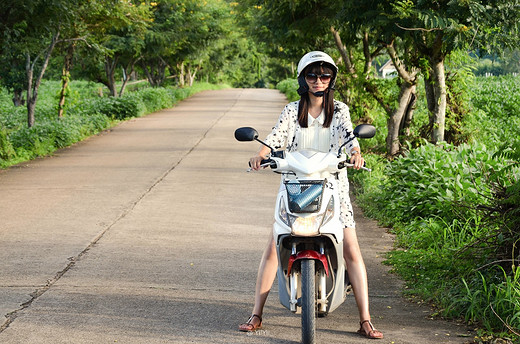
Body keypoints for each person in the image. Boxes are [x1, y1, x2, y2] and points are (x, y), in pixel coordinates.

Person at [238, 51, 383, 340]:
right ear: (303, 79)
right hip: (294, 184)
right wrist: (260, 154)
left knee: (351, 248)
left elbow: (350, 139)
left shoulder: (339, 110)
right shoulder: (293, 110)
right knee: (271, 248)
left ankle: (365, 319)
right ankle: (256, 314)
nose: (318, 81)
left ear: (332, 80)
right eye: (312, 75)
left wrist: (356, 154)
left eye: (324, 75)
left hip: (333, 185)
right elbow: (275, 136)